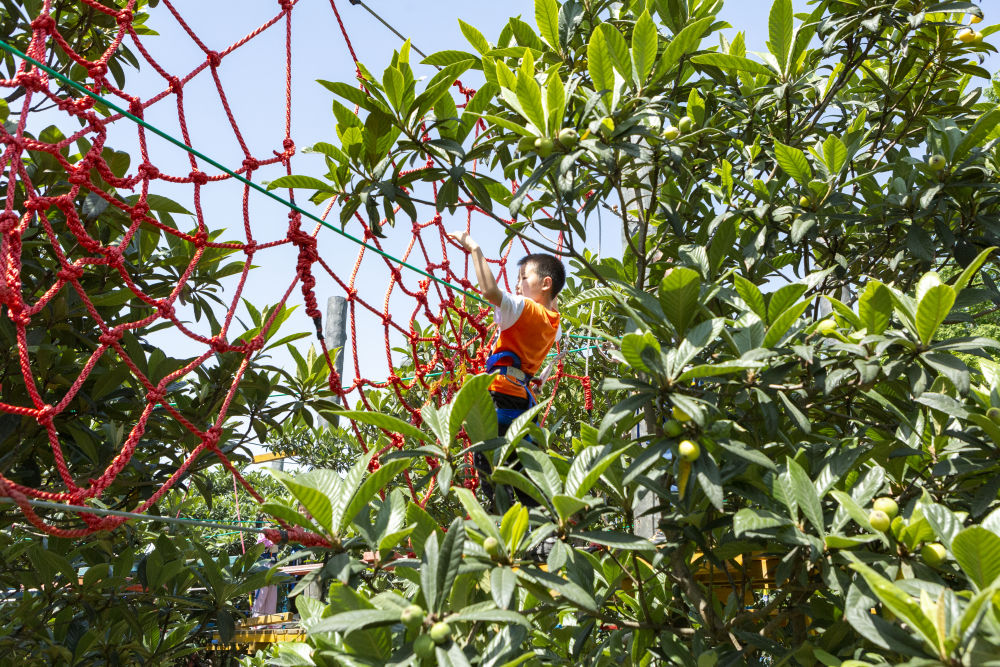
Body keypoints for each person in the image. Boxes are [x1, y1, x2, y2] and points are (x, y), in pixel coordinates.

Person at [448, 231, 565, 509]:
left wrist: (474, 247)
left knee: (490, 468)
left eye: (524, 278)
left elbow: (490, 291)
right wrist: (552, 298)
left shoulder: (523, 309)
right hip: (524, 404)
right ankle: (538, 530)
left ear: (545, 283)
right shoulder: (555, 325)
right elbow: (552, 306)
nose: (518, 283)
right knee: (524, 473)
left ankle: (504, 520)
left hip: (499, 397)